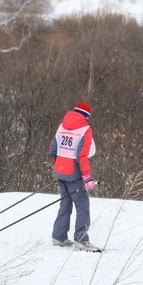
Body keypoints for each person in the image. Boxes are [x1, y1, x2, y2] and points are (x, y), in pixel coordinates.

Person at [49, 102, 99, 252]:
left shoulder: (62, 126)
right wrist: (87, 178)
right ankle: (81, 240)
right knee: (82, 205)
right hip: (74, 175)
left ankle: (59, 236)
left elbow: (52, 150)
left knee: (65, 204)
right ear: (87, 116)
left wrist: (61, 165)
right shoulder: (85, 130)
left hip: (60, 172)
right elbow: (82, 156)